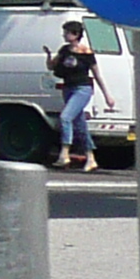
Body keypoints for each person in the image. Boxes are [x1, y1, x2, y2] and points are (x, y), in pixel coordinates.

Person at [49, 16, 101, 174]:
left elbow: (97, 74)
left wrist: (107, 95)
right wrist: (48, 57)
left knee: (65, 117)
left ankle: (64, 154)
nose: (64, 35)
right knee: (80, 126)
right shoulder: (64, 50)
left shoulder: (86, 52)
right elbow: (52, 66)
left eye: (67, 33)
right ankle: (91, 158)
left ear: (75, 34)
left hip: (82, 89)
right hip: (68, 88)